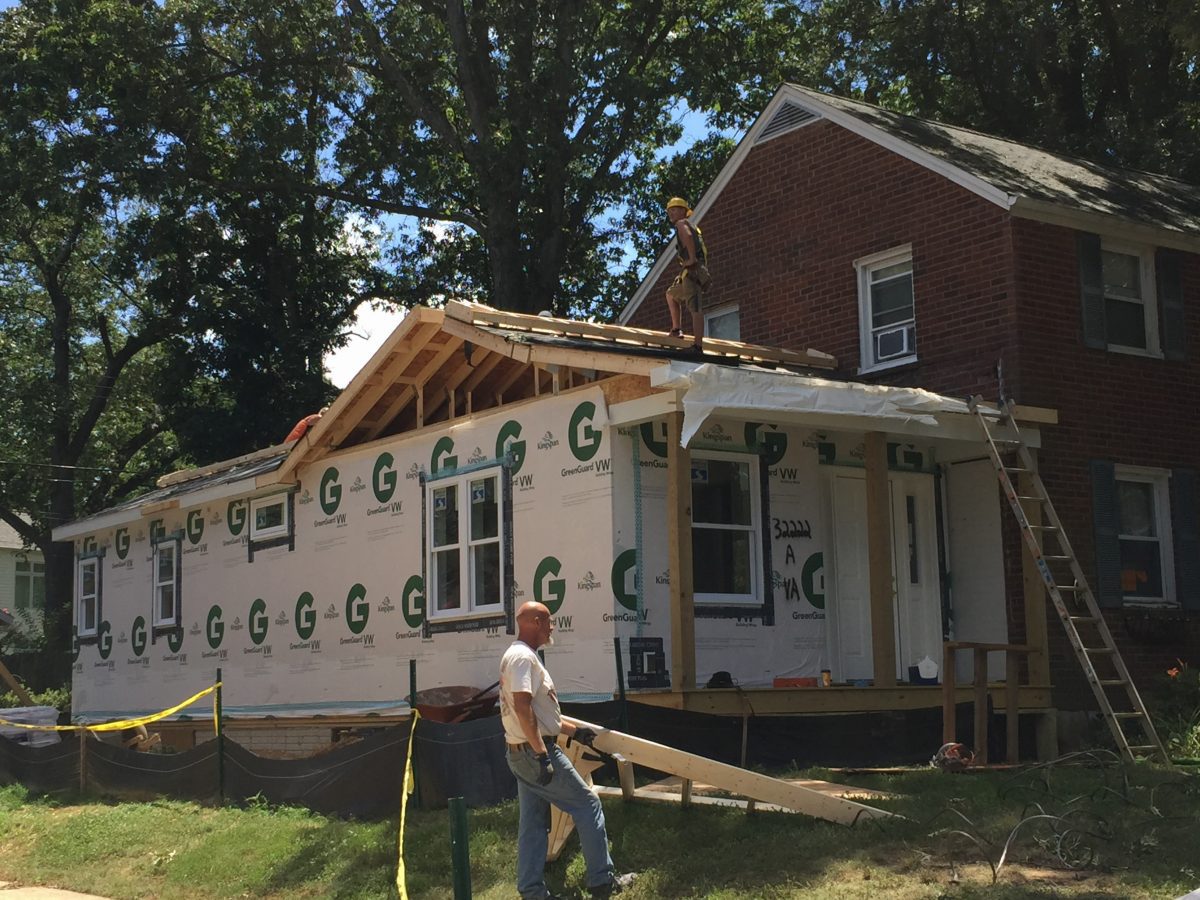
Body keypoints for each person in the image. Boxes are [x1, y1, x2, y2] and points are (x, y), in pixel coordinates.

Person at [500, 601, 634, 899]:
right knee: (588, 806)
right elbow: (523, 708)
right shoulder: (523, 658)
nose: (552, 628)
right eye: (548, 621)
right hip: (535, 753)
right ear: (534, 621)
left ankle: (532, 892)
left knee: (533, 822)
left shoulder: (519, 656)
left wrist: (574, 732)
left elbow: (538, 713)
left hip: (519, 752)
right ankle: (602, 882)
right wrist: (543, 755)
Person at [663, 196, 711, 350]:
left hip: (693, 272)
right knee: (671, 295)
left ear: (684, 211)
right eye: (669, 211)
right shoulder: (692, 226)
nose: (671, 213)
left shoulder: (682, 223)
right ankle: (676, 330)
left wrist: (691, 259)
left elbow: (688, 237)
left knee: (695, 307)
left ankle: (698, 345)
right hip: (688, 272)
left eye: (674, 210)